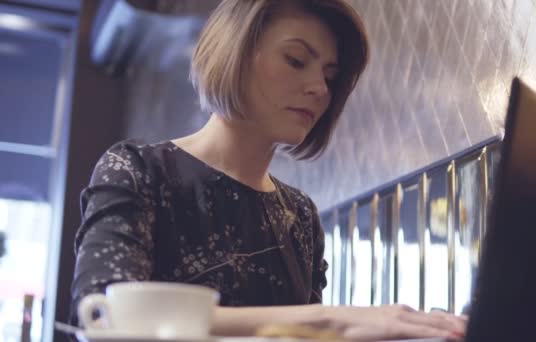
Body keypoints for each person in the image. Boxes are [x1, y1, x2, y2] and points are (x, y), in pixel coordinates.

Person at [70, 0, 466, 340]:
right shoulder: (137, 171)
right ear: (235, 54)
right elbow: (103, 316)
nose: (320, 88)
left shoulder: (300, 215)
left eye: (330, 76)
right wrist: (331, 319)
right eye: (296, 60)